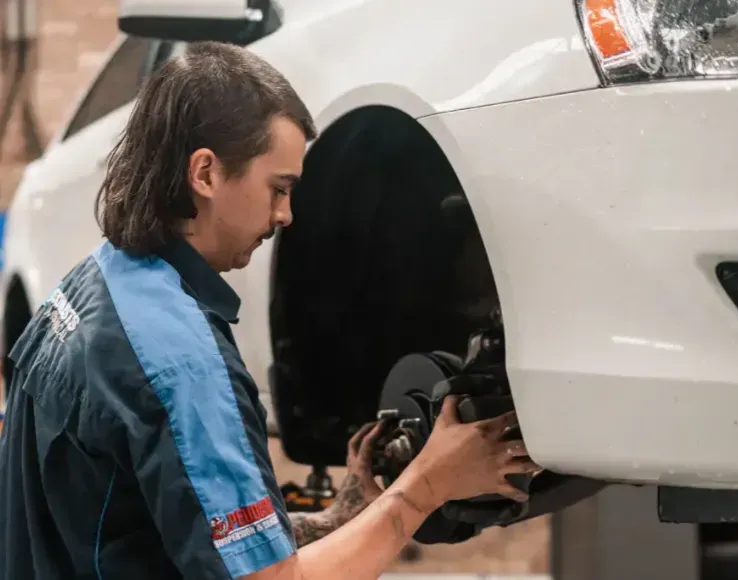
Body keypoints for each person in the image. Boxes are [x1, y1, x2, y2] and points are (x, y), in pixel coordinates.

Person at [0, 41, 539, 580]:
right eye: (278, 189)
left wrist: (344, 516)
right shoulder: (182, 365)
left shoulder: (91, 284)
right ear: (205, 174)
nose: (285, 215)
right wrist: (426, 486)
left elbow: (166, 532)